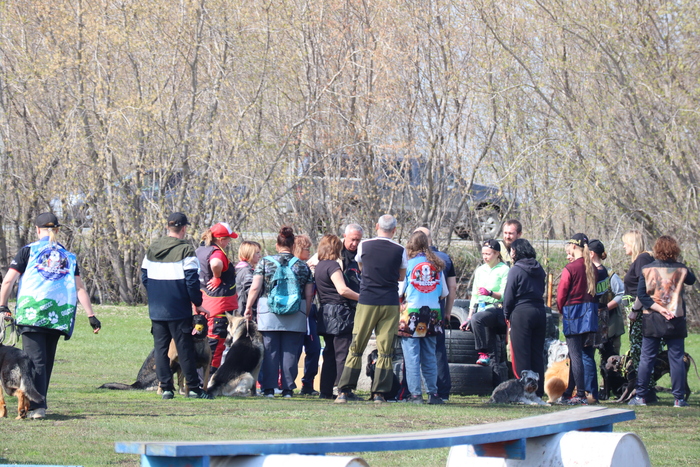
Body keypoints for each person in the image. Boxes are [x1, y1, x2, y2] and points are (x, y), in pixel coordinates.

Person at [0, 212, 101, 419]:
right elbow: (79, 288)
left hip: (32, 312)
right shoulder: (69, 256)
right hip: (59, 315)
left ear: (38, 230)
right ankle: (38, 404)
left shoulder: (28, 251)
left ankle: (37, 408)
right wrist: (91, 315)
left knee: (34, 362)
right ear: (56, 230)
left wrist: (3, 306)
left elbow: (9, 280)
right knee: (45, 361)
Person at [335, 214, 407, 404]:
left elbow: (361, 267)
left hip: (367, 300)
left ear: (376, 226)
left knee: (357, 344)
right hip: (390, 301)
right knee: (385, 348)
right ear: (394, 230)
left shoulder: (364, 245)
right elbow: (401, 277)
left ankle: (344, 390)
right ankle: (379, 393)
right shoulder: (400, 250)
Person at [141, 212, 212, 400]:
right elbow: (192, 280)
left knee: (161, 349)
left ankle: (166, 388)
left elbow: (144, 277)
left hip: (156, 308)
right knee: (184, 348)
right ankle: (194, 389)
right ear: (184, 228)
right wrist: (197, 303)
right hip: (178, 308)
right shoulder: (186, 250)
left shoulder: (152, 248)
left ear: (168, 227)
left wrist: (156, 295)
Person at [244, 226, 314, 398]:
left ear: (277, 245)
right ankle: (288, 389)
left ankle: (269, 388)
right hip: (295, 311)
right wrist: (305, 312)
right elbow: (309, 294)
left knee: (270, 350)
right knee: (291, 351)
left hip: (269, 312)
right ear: (293, 245)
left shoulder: (265, 262)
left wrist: (248, 307)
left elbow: (255, 288)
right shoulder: (303, 266)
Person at [629, 236, 696, 407]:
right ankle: (679, 398)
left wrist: (658, 308)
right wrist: (680, 264)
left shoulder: (647, 269)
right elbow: (692, 279)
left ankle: (641, 396)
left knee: (647, 358)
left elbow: (642, 295)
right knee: (676, 358)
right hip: (675, 319)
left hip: (653, 319)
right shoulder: (681, 269)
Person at [398, 230, 448, 404]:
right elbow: (444, 293)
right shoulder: (437, 265)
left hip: (411, 313)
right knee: (429, 355)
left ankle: (415, 395)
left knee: (412, 356)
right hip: (433, 314)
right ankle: (433, 394)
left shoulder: (408, 265)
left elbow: (399, 291)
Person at [314, 234, 360, 400]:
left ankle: (325, 391)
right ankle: (343, 390)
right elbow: (342, 290)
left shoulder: (319, 266)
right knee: (342, 354)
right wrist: (362, 298)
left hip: (325, 313)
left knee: (329, 354)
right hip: (339, 314)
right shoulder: (333, 266)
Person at [555, 233, 598, 405]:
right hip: (590, 313)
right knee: (578, 354)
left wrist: (561, 309)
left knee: (575, 355)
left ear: (573, 246)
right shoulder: (592, 267)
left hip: (574, 313)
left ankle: (580, 394)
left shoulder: (571, 268)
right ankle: (568, 392)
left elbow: (561, 293)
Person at [414, 226, 456, 400]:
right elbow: (451, 287)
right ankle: (441, 391)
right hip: (436, 310)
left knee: (413, 350)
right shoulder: (444, 258)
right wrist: (448, 312)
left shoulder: (409, 259)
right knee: (437, 350)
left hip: (414, 310)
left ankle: (411, 391)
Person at [502, 238, 547, 399]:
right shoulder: (539, 268)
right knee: (537, 354)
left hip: (521, 312)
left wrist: (506, 314)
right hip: (539, 311)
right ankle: (537, 391)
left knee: (521, 354)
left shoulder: (516, 270)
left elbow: (509, 295)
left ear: (517, 252)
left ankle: (522, 392)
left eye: (512, 250)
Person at [195, 222, 239, 372]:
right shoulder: (217, 252)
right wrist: (217, 277)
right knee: (215, 343)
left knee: (200, 340)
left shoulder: (200, 250)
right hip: (218, 306)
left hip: (202, 303)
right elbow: (215, 263)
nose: (229, 242)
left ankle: (197, 377)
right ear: (221, 239)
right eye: (228, 239)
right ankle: (209, 378)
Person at [461, 240, 509, 369]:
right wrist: (469, 316)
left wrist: (490, 293)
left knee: (478, 319)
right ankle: (494, 374)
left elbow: (504, 295)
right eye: (483, 254)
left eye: (488, 254)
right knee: (492, 349)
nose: (485, 257)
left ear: (497, 254)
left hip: (497, 308)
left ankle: (482, 352)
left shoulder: (504, 270)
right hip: (482, 309)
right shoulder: (480, 270)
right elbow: (475, 296)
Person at [588, 239, 625, 400]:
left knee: (611, 358)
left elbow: (621, 294)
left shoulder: (610, 275)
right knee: (588, 356)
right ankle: (591, 389)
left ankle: (611, 388)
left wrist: (606, 308)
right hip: (591, 322)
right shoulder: (587, 273)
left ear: (591, 254)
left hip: (610, 323)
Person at [622, 230, 654, 380]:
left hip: (639, 310)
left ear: (632, 244)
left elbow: (644, 286)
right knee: (637, 349)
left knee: (639, 349)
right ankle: (640, 384)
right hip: (636, 308)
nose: (624, 246)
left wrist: (636, 309)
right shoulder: (640, 259)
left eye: (625, 243)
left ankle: (645, 385)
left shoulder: (643, 259)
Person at [293, 234, 321, 396]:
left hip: (309, 313)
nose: (309, 251)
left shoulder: (309, 267)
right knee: (294, 350)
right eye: (306, 248)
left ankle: (308, 384)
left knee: (314, 349)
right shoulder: (296, 267)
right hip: (297, 312)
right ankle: (287, 383)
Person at [235, 241, 262, 318]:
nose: (260, 256)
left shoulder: (241, 268)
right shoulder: (246, 271)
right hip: (245, 310)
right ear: (249, 254)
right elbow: (251, 290)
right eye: (257, 253)